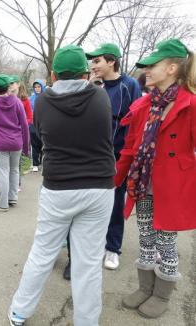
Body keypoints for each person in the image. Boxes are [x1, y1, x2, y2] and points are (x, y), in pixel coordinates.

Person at [8, 45, 115, 326]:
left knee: (43, 253)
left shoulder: (42, 102)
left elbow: (42, 140)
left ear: (53, 75)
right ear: (85, 73)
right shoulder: (100, 96)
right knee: (89, 262)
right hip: (99, 187)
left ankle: (19, 312)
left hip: (59, 188)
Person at [115, 38, 196, 318]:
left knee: (166, 242)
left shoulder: (190, 104)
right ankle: (145, 287)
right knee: (146, 237)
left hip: (172, 187)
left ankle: (162, 294)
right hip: (143, 184)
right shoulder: (144, 105)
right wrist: (114, 179)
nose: (147, 70)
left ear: (172, 68)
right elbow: (130, 147)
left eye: (153, 65)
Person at [86, 43, 142, 270]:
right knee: (92, 200)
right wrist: (89, 88)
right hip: (91, 155)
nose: (93, 65)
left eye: (97, 61)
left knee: (116, 200)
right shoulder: (92, 86)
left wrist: (131, 156)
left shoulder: (129, 85)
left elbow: (136, 121)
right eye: (92, 62)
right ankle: (94, 243)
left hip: (118, 155)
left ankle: (112, 247)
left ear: (111, 61)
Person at [0, 74, 29, 212]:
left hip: (0, 143)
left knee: (3, 171)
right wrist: (26, 146)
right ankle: (12, 197)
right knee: (14, 169)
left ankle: (3, 204)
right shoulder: (16, 102)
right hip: (16, 142)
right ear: (8, 87)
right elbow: (24, 125)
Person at [29, 79, 45, 172]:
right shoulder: (30, 99)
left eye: (39, 87)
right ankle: (35, 164)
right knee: (34, 145)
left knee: (44, 144)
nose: (37, 89)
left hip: (44, 124)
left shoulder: (47, 97)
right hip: (33, 125)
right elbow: (28, 112)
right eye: (35, 87)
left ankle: (43, 162)